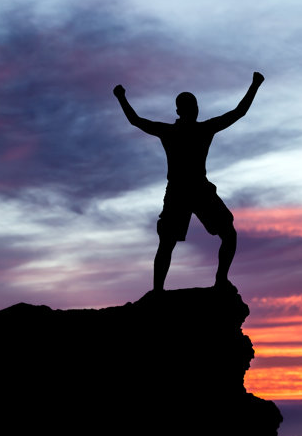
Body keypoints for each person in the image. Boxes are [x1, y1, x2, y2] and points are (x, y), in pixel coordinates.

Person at [113, 73, 264, 292]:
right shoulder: (194, 130)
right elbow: (238, 112)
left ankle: (211, 282)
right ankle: (161, 291)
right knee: (171, 242)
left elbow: (136, 121)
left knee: (219, 235)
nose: (195, 109)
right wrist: (255, 84)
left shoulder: (179, 130)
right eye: (192, 106)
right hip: (185, 191)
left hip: (190, 190)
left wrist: (121, 97)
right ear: (190, 109)